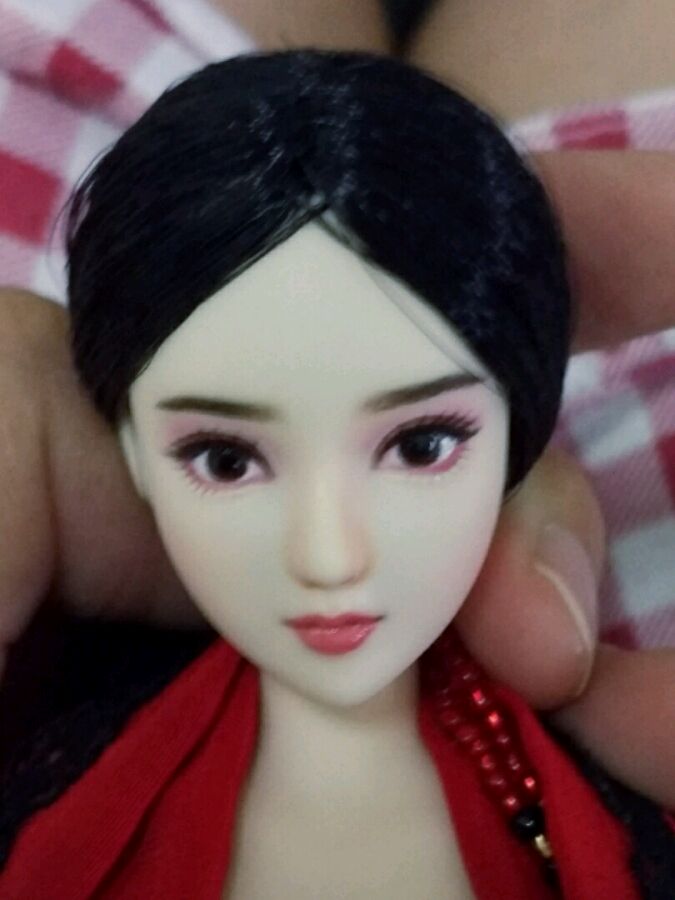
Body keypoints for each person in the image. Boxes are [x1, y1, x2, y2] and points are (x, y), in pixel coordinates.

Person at [0, 51, 671, 899]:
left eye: (421, 446)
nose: (327, 555)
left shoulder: (590, 806)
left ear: (517, 439)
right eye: (226, 459)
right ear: (131, 450)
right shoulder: (67, 802)